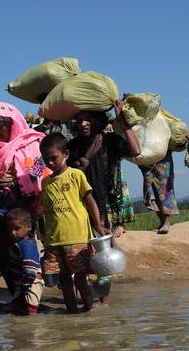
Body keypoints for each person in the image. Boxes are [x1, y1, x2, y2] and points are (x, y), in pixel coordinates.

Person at [0, 102, 48, 298]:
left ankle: (30, 296)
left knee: (24, 252)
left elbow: (40, 171)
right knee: (3, 254)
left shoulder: (31, 143)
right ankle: (16, 296)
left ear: (12, 124)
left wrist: (24, 187)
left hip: (23, 207)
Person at [39, 133, 110, 312]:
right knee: (63, 280)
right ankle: (71, 312)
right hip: (54, 240)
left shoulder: (75, 175)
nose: (50, 163)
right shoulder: (46, 182)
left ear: (66, 154)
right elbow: (47, 211)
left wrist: (99, 226)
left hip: (77, 238)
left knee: (79, 277)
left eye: (53, 158)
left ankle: (88, 308)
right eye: (46, 159)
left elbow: (90, 201)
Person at [68, 101, 140, 236]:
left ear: (95, 120)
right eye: (79, 121)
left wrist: (123, 123)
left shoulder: (109, 140)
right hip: (84, 204)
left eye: (87, 120)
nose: (83, 124)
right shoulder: (73, 147)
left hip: (107, 201)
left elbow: (135, 150)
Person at [6, 207, 43, 316]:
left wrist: (25, 286)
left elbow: (30, 269)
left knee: (31, 309)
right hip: (23, 281)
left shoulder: (26, 245)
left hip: (32, 282)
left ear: (29, 227)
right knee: (17, 307)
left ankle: (32, 329)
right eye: (10, 229)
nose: (13, 233)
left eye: (17, 229)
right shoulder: (21, 241)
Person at [139, 152, 179, 234]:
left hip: (162, 155)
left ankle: (166, 221)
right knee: (149, 190)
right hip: (145, 158)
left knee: (164, 188)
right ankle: (162, 221)